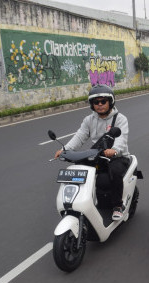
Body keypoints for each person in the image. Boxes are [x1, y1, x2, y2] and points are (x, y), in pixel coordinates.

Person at [54, 84, 130, 221]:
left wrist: (114, 150)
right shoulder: (89, 120)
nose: (100, 105)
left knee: (115, 171)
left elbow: (121, 138)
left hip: (117, 157)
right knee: (80, 170)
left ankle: (117, 206)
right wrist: (65, 150)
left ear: (110, 101)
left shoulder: (120, 119)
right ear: (92, 104)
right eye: (96, 102)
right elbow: (80, 136)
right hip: (98, 155)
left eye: (103, 101)